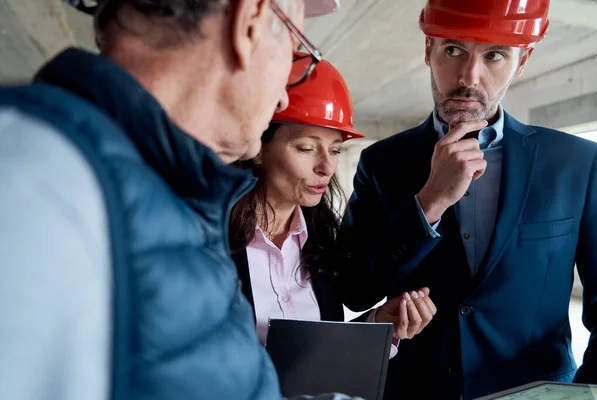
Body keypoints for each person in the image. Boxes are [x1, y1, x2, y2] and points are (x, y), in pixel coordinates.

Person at [0, 0, 359, 399]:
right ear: (250, 23)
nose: (282, 100)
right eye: (295, 55)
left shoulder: (180, 198)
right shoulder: (34, 186)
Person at [335, 0, 597, 399]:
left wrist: (585, 393)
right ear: (429, 50)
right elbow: (354, 290)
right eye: (453, 50)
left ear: (522, 61)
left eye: (495, 55)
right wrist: (429, 203)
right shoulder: (382, 163)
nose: (468, 77)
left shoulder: (577, 162)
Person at [229, 57, 437, 348]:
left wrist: (378, 325)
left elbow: (318, 354)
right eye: (306, 148)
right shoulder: (207, 242)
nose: (326, 167)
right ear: (257, 147)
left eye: (335, 150)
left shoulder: (322, 241)